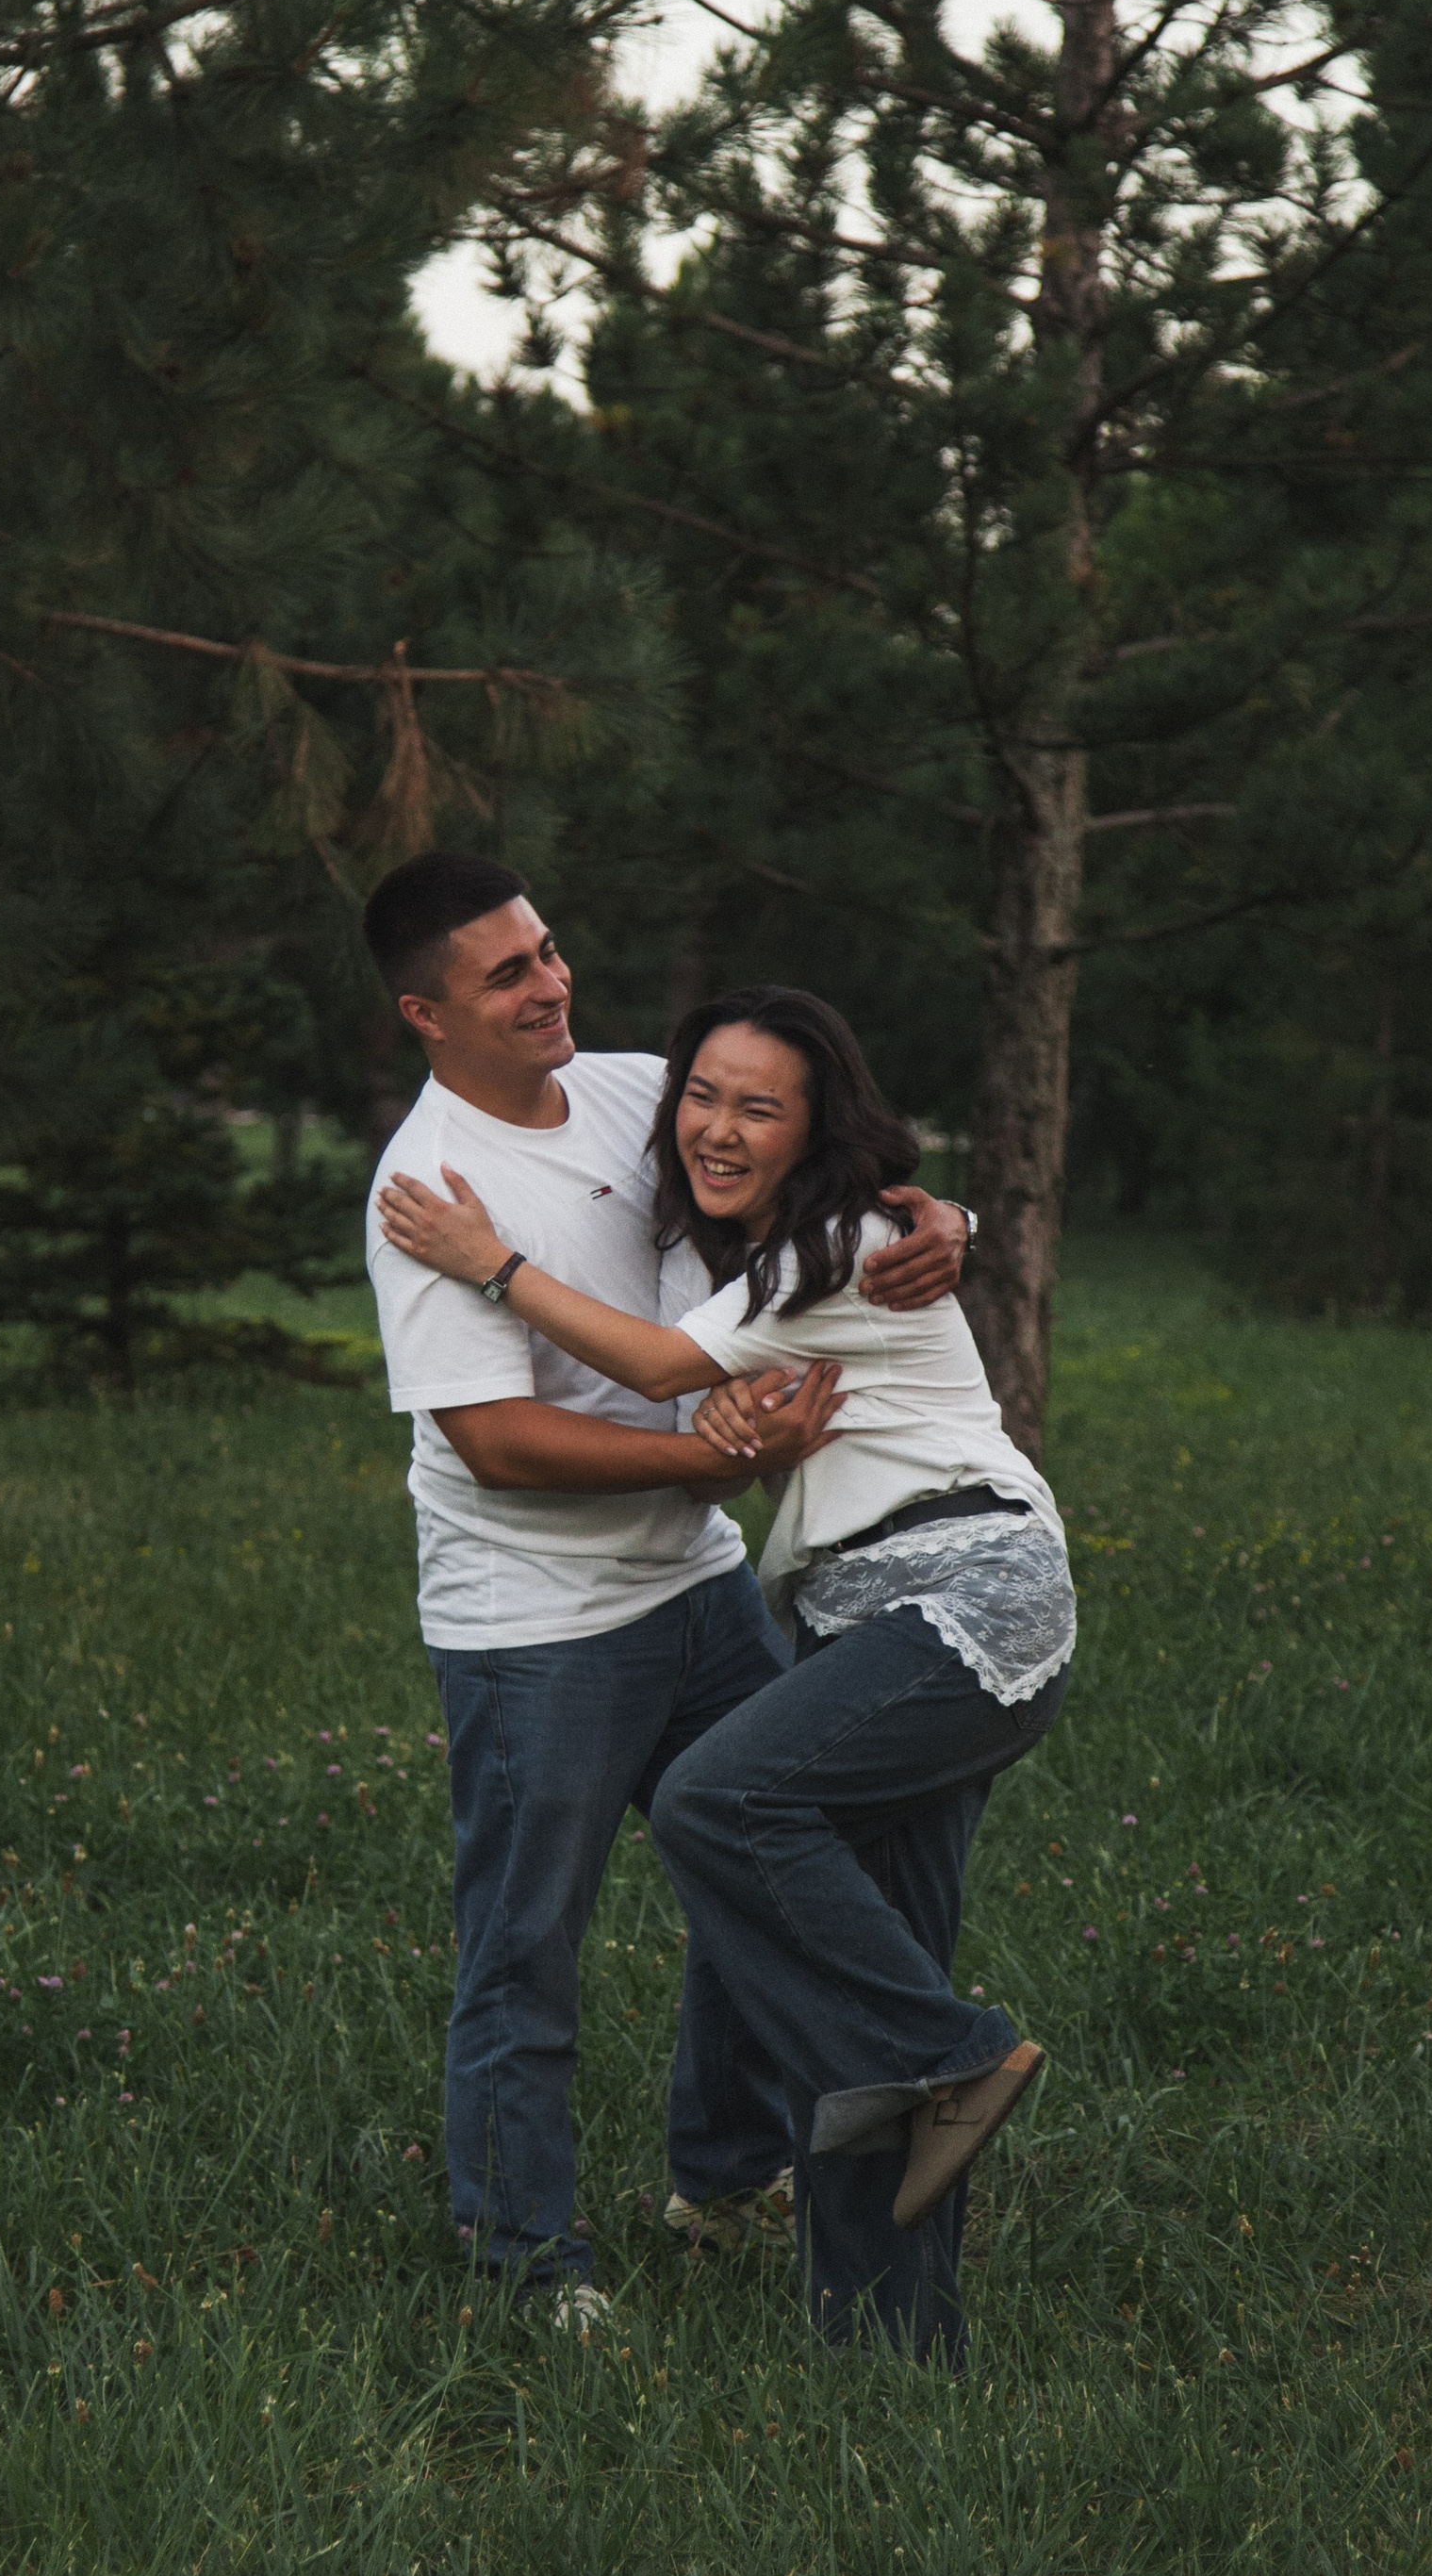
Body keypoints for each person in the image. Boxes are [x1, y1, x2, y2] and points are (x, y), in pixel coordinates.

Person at [377, 982, 1075, 2368]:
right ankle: (892, 2347)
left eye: (760, 1107)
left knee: (721, 1810)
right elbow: (508, 1435)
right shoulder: (722, 1204)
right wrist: (939, 1216)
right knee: (855, 1938)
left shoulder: (828, 1242)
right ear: (425, 1003)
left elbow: (655, 1354)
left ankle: (948, 2052)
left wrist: (494, 1261)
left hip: (957, 1601)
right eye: (706, 1096)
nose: (713, 1122)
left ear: (816, 1129)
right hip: (837, 1606)